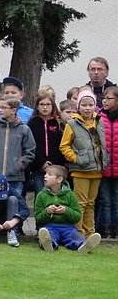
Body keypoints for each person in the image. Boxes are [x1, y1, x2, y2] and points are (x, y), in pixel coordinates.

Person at [0, 95, 36, 245]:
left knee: (14, 202)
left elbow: (30, 151)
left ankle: (12, 232)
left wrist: (19, 164)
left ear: (14, 110)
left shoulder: (24, 129)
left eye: (3, 108)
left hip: (16, 177)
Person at [60, 91, 109, 236]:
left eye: (91, 105)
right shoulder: (72, 124)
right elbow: (64, 146)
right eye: (84, 105)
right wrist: (76, 158)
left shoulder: (99, 121)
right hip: (81, 170)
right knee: (80, 203)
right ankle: (77, 232)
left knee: (91, 203)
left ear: (95, 106)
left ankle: (90, 232)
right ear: (78, 106)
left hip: (97, 169)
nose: (87, 108)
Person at [35, 165, 101, 253]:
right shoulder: (41, 195)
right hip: (50, 226)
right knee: (48, 235)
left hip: (68, 227)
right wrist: (47, 212)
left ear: (59, 179)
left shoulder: (70, 195)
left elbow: (77, 216)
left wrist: (66, 211)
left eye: (49, 174)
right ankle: (49, 244)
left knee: (76, 236)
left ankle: (83, 245)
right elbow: (38, 218)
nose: (45, 176)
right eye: (45, 173)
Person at [27, 93, 65, 195]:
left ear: (53, 106)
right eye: (42, 104)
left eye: (48, 104)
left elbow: (61, 144)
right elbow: (30, 146)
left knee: (55, 193)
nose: (45, 107)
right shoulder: (32, 123)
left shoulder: (58, 123)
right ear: (37, 106)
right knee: (40, 193)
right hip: (38, 166)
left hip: (56, 165)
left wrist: (53, 163)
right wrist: (41, 163)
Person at [97, 86, 118, 238]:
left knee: (116, 199)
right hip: (103, 167)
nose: (104, 101)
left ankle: (115, 228)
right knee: (105, 199)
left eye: (108, 98)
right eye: (103, 98)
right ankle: (105, 228)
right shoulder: (98, 117)